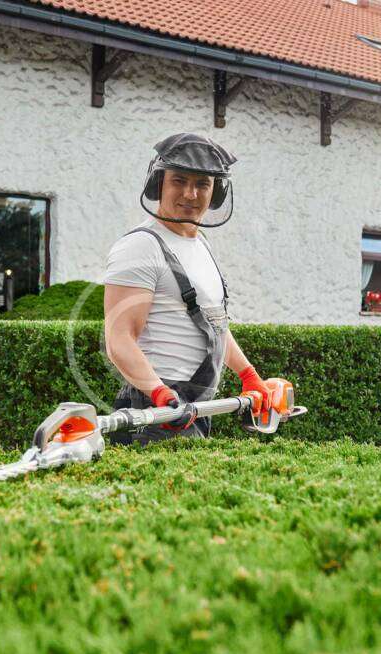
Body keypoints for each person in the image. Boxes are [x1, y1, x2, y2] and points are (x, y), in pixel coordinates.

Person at [103, 132, 273, 446]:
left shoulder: (201, 245)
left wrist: (248, 374)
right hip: (153, 409)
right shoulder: (141, 246)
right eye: (179, 181)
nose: (191, 194)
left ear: (216, 192)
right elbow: (118, 338)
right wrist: (158, 392)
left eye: (202, 184)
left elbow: (214, 325)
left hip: (195, 407)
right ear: (158, 184)